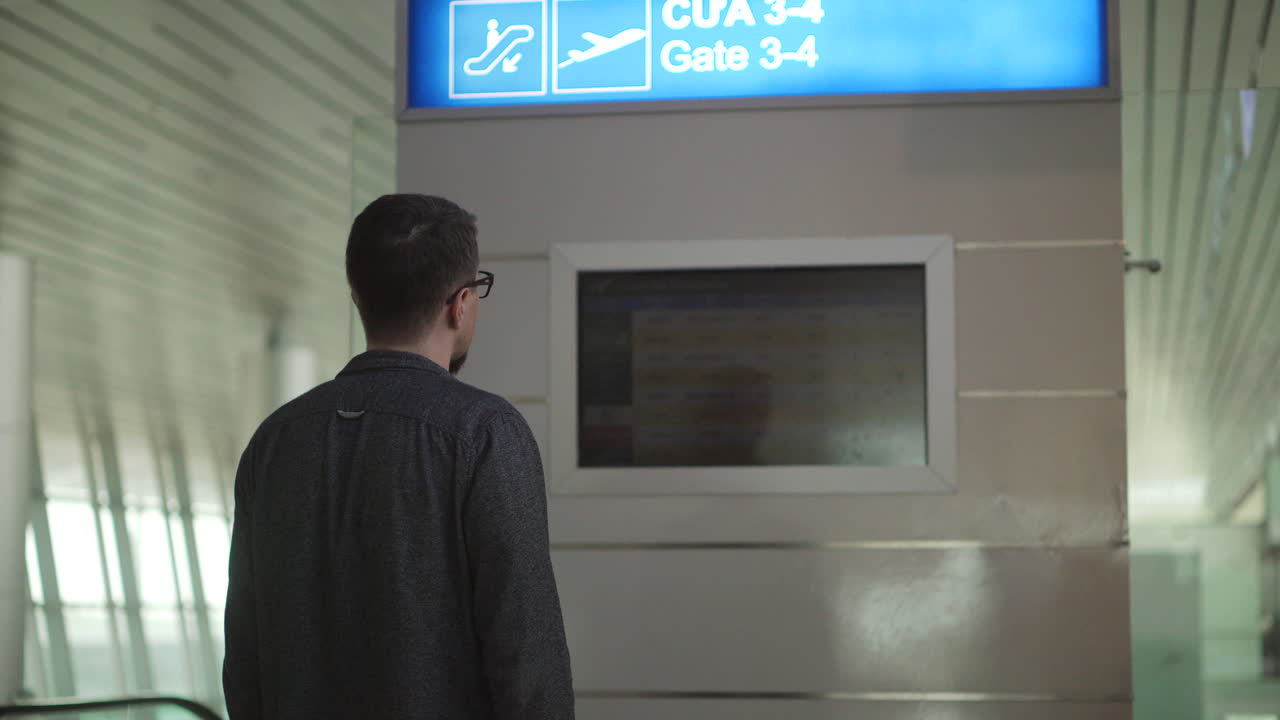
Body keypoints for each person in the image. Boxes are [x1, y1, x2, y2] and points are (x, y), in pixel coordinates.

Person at [223, 194, 574, 719]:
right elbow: (527, 661)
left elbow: (244, 665)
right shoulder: (484, 434)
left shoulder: (275, 442)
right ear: (460, 303)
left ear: (358, 297)